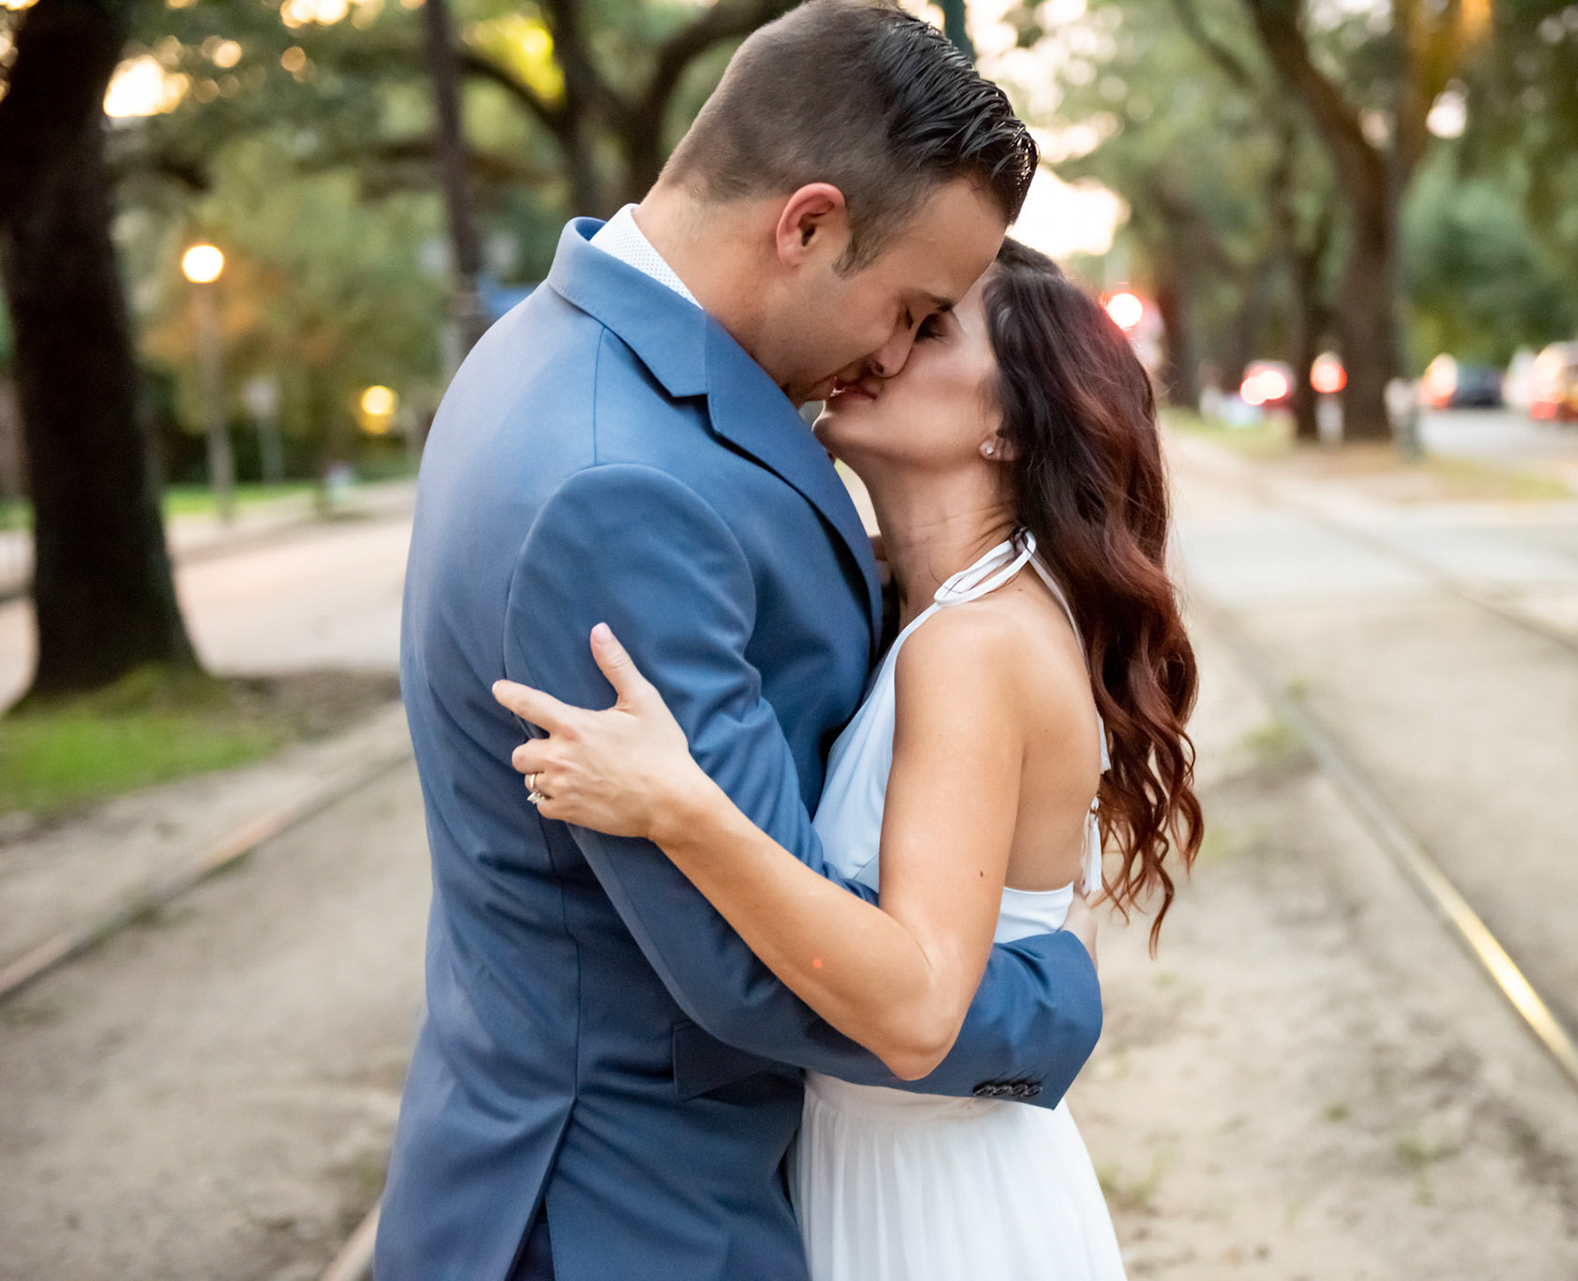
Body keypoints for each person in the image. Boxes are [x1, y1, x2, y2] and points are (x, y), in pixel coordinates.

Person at [374, 6, 1108, 1279]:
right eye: (910, 307)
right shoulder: (619, 482)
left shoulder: (552, 350)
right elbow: (747, 971)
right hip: (635, 1212)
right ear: (806, 225)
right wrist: (1049, 1001)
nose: (891, 352)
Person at [495, 240, 1203, 1279]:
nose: (884, 346)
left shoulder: (973, 645)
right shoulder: (935, 615)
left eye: (930, 328)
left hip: (937, 1210)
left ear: (1008, 425)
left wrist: (679, 808)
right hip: (895, 1168)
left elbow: (918, 1013)